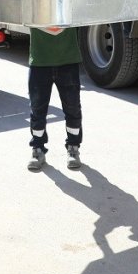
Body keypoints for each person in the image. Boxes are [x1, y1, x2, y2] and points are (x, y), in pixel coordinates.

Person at [27, 27, 83, 171]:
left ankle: (73, 148)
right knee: (37, 108)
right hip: (40, 60)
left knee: (72, 107)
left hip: (67, 60)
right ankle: (37, 150)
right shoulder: (34, 3)